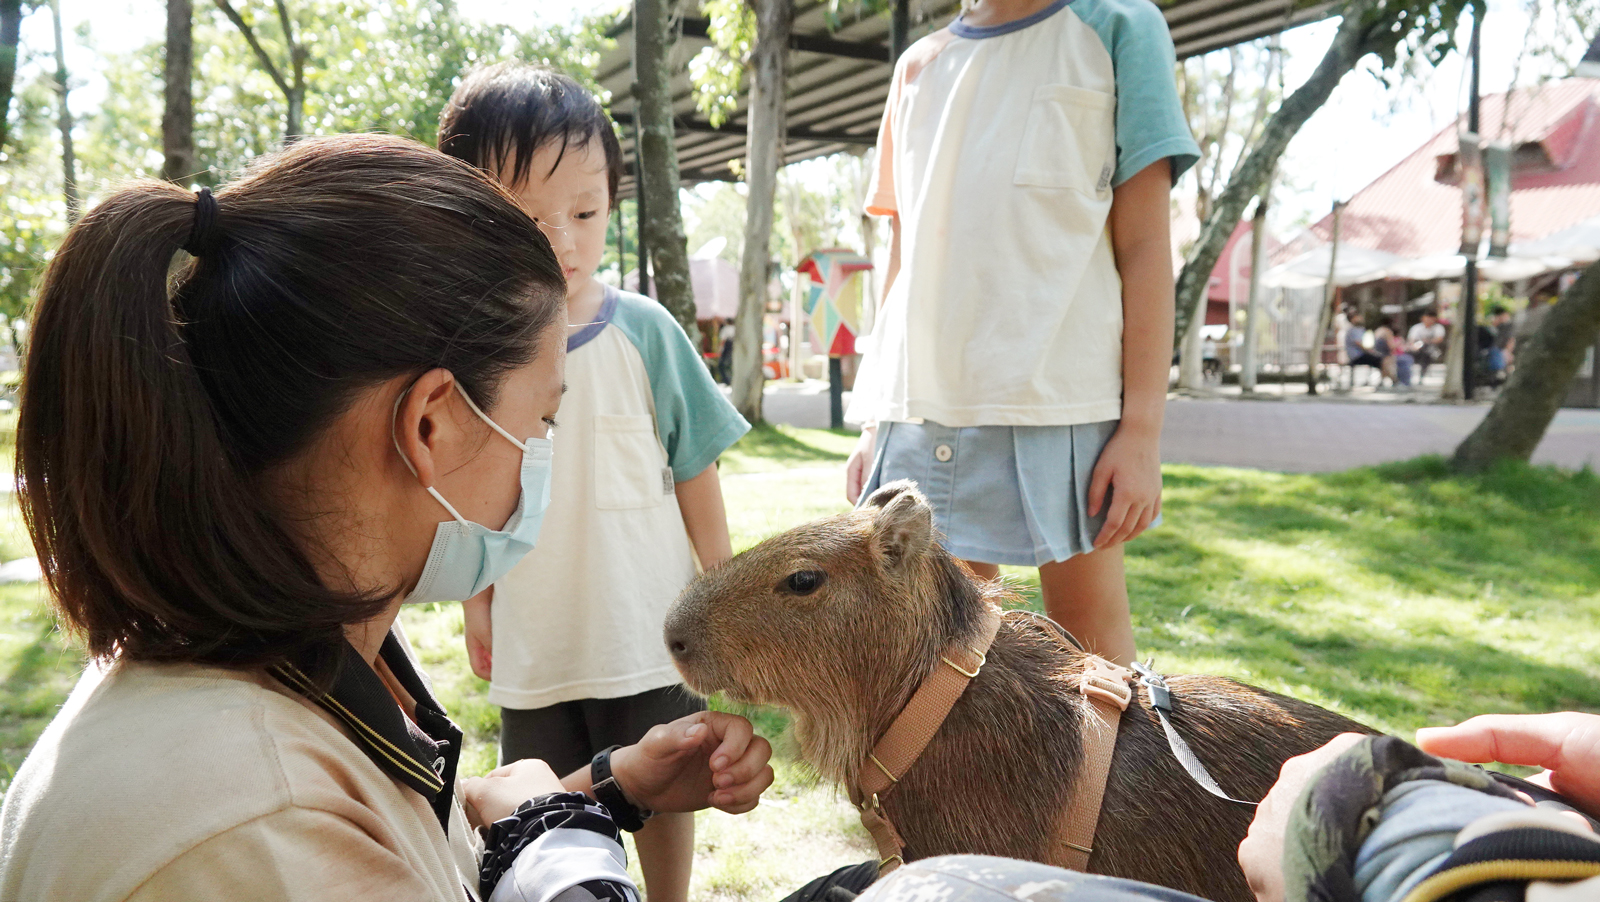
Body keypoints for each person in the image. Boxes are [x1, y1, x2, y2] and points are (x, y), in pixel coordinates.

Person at [0, 134, 774, 902]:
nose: (543, 451)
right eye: (544, 422)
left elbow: (407, 848)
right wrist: (558, 840)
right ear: (429, 426)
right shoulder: (255, 826)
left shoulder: (294, 658)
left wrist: (607, 788)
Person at [438, 63, 749, 902]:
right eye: (533, 217)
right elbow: (468, 489)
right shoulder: (469, 356)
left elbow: (696, 467)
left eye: (586, 212)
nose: (566, 240)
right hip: (535, 632)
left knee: (666, 774)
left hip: (643, 623)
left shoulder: (644, 331)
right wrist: (477, 601)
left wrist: (719, 599)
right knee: (546, 790)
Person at [842, 0, 1201, 666]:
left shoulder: (1119, 26)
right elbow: (902, 253)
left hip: (1063, 401)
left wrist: (1143, 430)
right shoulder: (917, 67)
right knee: (932, 661)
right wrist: (873, 423)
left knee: (1092, 657)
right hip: (919, 408)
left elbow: (1148, 243)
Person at [1405, 310, 1445, 379]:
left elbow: (1439, 339)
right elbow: (1411, 339)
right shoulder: (1416, 328)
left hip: (1431, 349)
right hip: (1417, 348)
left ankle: (1422, 374)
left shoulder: (1438, 328)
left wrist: (1427, 341)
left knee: (1426, 355)